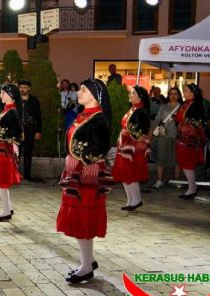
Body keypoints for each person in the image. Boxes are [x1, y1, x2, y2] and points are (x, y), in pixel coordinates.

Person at [57, 78, 113, 284]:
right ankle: (88, 261)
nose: (78, 93)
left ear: (96, 96)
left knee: (83, 222)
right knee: (80, 221)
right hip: (76, 174)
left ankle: (86, 267)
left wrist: (81, 161)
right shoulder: (82, 115)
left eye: (83, 90)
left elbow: (101, 147)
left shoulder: (98, 119)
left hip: (86, 177)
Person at [0, 84, 23, 222]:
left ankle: (6, 211)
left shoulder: (12, 111)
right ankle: (8, 207)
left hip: (3, 151)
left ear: (10, 95)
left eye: (2, 93)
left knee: (0, 181)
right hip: (0, 150)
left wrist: (7, 139)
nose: (0, 95)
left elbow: (18, 132)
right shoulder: (7, 110)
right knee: (0, 181)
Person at [111, 86, 151, 211]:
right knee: (124, 172)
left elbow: (143, 130)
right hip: (125, 145)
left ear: (140, 96)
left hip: (133, 146)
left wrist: (134, 136)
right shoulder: (133, 109)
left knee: (130, 172)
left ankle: (136, 199)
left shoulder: (142, 111)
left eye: (133, 93)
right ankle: (131, 200)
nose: (130, 94)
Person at [175, 83, 207, 199]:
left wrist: (188, 122)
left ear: (193, 93)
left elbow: (200, 121)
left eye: (187, 91)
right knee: (184, 162)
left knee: (188, 162)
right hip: (182, 137)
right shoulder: (184, 104)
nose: (184, 92)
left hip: (190, 138)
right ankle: (192, 187)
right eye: (184, 90)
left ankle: (192, 188)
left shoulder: (197, 105)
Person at [152, 87, 182, 189]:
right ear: (168, 95)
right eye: (171, 94)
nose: (173, 96)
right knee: (161, 158)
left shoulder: (182, 107)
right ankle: (159, 180)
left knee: (177, 159)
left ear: (179, 95)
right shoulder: (163, 107)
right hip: (163, 135)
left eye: (175, 94)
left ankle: (176, 180)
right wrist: (154, 130)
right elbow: (157, 120)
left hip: (177, 136)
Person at [18, 79, 42, 181]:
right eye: (20, 87)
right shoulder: (15, 100)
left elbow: (38, 117)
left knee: (28, 153)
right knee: (16, 153)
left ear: (29, 88)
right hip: (17, 131)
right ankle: (14, 174)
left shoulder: (34, 101)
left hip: (30, 131)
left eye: (24, 87)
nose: (22, 89)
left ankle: (27, 175)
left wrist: (38, 131)